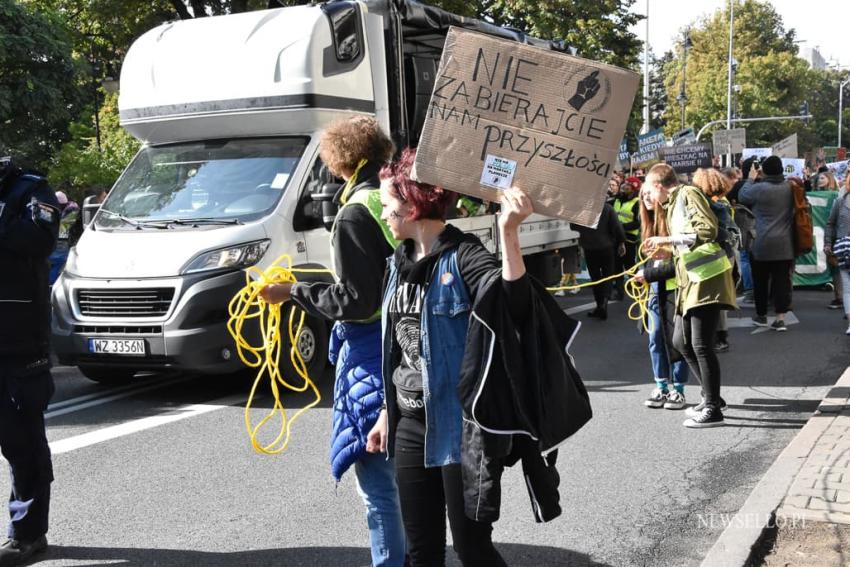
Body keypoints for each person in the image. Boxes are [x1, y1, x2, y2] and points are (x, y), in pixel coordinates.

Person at [367, 148, 533, 566]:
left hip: (459, 428)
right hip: (408, 423)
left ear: (413, 203)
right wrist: (389, 411)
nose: (384, 212)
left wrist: (509, 232)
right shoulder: (396, 263)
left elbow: (513, 304)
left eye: (388, 203)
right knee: (420, 551)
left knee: (472, 549)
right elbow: (402, 352)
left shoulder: (465, 255)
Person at [258, 117, 406, 567]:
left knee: (378, 483)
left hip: (370, 350)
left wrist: (292, 292)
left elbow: (357, 302)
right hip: (405, 344)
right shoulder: (391, 199)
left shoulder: (354, 212)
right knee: (411, 477)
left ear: (339, 160)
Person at [643, 164, 737, 428]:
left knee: (700, 344)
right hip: (692, 279)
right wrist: (668, 248)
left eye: (649, 189)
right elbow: (686, 242)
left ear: (659, 185)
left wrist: (667, 240)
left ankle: (713, 408)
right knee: (680, 342)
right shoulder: (675, 201)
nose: (648, 195)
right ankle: (712, 399)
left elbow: (706, 231)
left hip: (706, 277)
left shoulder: (687, 194)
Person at [0, 156, 60, 565]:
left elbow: (39, 240)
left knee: (22, 445)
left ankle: (27, 533)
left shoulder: (30, 189)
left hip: (16, 342)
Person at [632, 181, 689, 410]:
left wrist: (649, 272)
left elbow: (681, 261)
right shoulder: (645, 224)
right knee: (654, 337)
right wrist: (640, 271)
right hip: (655, 289)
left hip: (675, 288)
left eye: (649, 192)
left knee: (676, 341)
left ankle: (679, 389)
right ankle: (661, 386)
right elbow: (644, 259)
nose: (645, 197)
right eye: (642, 194)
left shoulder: (672, 220)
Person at [739, 155, 795, 332]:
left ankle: (761, 315)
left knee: (760, 281)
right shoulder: (789, 188)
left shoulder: (759, 188)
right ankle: (780, 318)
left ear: (764, 170)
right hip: (785, 243)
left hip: (761, 242)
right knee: (782, 282)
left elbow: (742, 195)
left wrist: (750, 178)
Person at [693, 168, 739, 353]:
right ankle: (719, 335)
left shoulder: (712, 204)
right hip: (726, 253)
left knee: (713, 297)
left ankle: (718, 336)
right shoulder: (723, 202)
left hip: (715, 254)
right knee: (719, 297)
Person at [570, 202, 626, 320]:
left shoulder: (581, 208)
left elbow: (573, 227)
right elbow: (616, 226)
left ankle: (599, 304)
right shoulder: (607, 208)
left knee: (595, 277)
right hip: (607, 246)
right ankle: (604, 302)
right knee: (608, 276)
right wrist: (621, 242)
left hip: (589, 247)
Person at [825, 173, 850, 333]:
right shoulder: (840, 202)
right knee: (847, 288)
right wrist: (828, 243)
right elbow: (830, 224)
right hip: (844, 249)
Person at [612, 176, 641, 299]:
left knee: (629, 265)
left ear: (634, 189)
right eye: (624, 185)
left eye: (628, 186)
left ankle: (638, 289)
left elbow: (638, 222)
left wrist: (621, 227)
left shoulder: (637, 202)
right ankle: (619, 292)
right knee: (616, 266)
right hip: (615, 237)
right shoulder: (617, 200)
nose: (624, 188)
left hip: (628, 238)